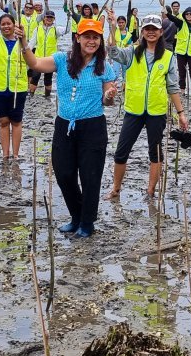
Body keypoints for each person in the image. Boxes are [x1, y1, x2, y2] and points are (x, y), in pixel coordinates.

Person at [21, 18, 118, 237]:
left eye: (95, 37)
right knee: (64, 173)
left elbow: (108, 99)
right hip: (64, 125)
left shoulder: (104, 66)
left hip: (93, 126)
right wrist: (24, 43)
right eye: (87, 37)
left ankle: (87, 223)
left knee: (90, 176)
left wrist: (109, 95)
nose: (91, 41)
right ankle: (76, 216)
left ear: (100, 40)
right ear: (78, 38)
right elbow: (34, 63)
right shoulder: (62, 60)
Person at [104, 11, 189, 199]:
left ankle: (151, 191)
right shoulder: (132, 52)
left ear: (160, 32)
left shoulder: (168, 56)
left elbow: (173, 87)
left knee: (156, 153)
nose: (151, 32)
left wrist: (181, 113)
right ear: (142, 31)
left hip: (156, 112)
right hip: (133, 111)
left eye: (155, 29)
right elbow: (112, 52)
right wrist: (111, 26)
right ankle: (115, 189)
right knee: (121, 152)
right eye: (147, 29)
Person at [0, 10, 29, 161]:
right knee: (3, 122)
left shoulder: (22, 43)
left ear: (15, 25)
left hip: (18, 89)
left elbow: (31, 58)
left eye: (9, 23)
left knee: (16, 121)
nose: (6, 26)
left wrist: (24, 38)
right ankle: (5, 154)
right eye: (3, 24)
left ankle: (15, 154)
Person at [28, 8, 60, 96]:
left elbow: (67, 30)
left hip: (50, 59)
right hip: (38, 58)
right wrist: (26, 52)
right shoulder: (38, 29)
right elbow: (32, 42)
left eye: (51, 17)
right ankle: (31, 94)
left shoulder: (56, 30)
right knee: (35, 76)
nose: (49, 19)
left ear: (54, 19)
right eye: (47, 17)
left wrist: (69, 17)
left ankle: (47, 95)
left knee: (48, 78)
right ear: (44, 18)